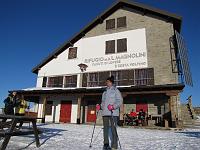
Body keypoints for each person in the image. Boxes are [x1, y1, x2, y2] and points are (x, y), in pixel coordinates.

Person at [96, 76, 123, 150]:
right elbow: (103, 102)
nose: (106, 83)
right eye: (106, 82)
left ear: (111, 82)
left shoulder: (116, 90)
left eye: (108, 81)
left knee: (114, 129)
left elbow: (120, 101)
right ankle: (106, 144)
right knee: (106, 129)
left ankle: (114, 145)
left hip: (113, 113)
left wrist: (113, 106)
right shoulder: (104, 92)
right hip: (105, 113)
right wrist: (100, 107)